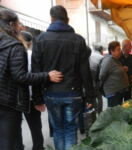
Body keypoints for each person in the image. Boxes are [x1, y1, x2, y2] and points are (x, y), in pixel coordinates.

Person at [31, 5, 95, 150]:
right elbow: (85, 71)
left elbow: (36, 70)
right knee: (71, 129)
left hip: (51, 93)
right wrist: (90, 96)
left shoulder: (40, 39)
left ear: (51, 19)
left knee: (58, 129)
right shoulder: (78, 40)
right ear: (67, 19)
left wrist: (37, 98)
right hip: (73, 93)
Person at [0, 9, 63, 150]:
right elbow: (20, 76)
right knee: (9, 142)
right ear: (11, 24)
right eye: (18, 23)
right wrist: (47, 76)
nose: (20, 26)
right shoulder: (14, 45)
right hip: (9, 102)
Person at [15, 31, 45, 150]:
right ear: (31, 42)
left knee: (15, 126)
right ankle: (38, 147)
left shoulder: (11, 53)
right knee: (35, 126)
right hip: (31, 96)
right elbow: (37, 76)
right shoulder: (32, 55)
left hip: (15, 97)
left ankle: (19, 146)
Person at [99, 41, 129, 107]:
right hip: (113, 93)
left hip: (119, 92)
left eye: (120, 49)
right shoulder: (108, 61)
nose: (120, 51)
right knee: (114, 113)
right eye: (118, 50)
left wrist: (122, 69)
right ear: (112, 51)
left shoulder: (116, 60)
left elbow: (115, 70)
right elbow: (102, 75)